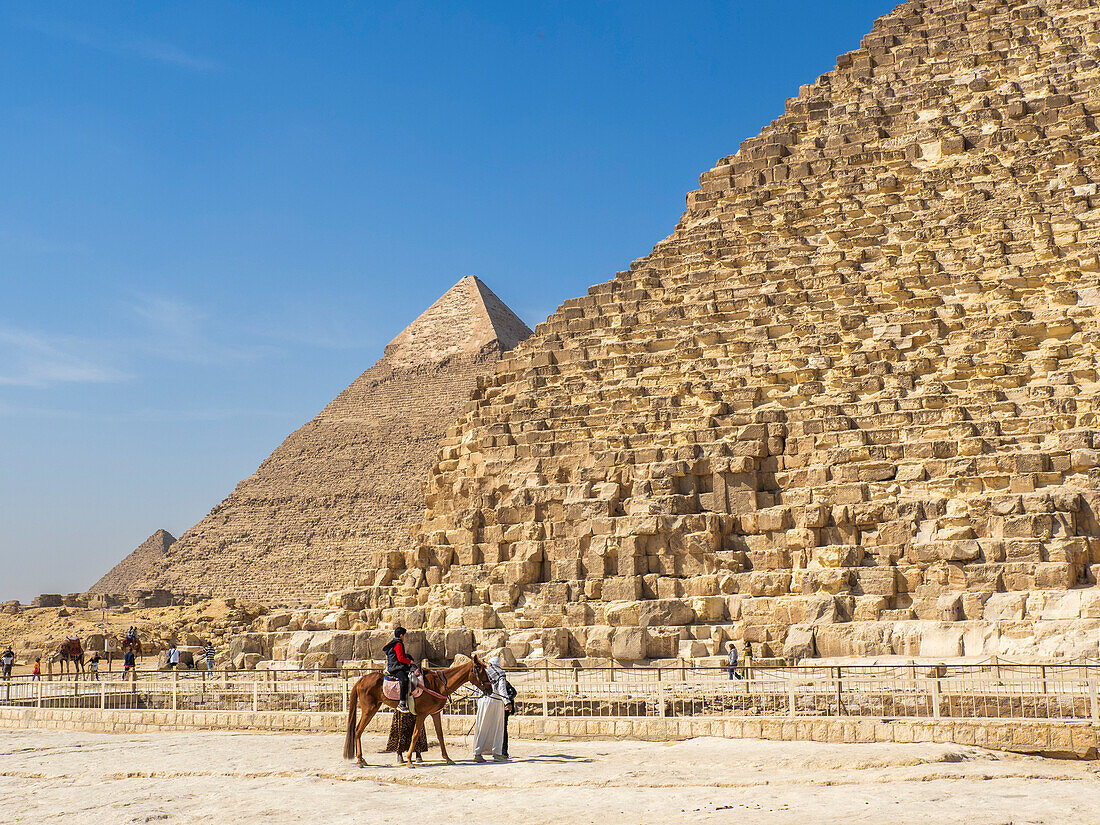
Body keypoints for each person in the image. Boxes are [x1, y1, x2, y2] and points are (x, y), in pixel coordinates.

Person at [473, 656, 509, 762]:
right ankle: (497, 753)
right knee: (498, 727)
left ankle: (477, 753)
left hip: (482, 701)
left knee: (481, 727)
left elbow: (477, 687)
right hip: (496, 701)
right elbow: (501, 688)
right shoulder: (500, 673)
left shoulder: (485, 672)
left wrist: (479, 701)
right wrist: (507, 701)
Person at [382, 627, 414, 713]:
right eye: (404, 636)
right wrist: (409, 661)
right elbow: (400, 658)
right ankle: (402, 703)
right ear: (401, 635)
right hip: (396, 667)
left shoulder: (394, 643)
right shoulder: (398, 644)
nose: (405, 638)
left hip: (395, 666)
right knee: (404, 680)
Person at [501, 671, 517, 759]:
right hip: (501, 709)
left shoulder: (505, 684)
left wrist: (506, 701)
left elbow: (513, 693)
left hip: (505, 709)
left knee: (503, 729)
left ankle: (504, 751)